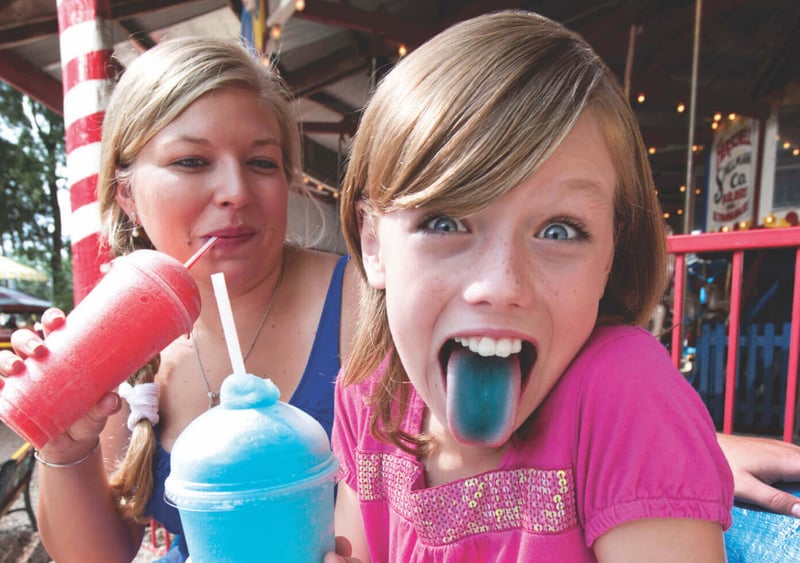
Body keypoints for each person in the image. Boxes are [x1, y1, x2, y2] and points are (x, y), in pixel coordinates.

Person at [328, 11, 781, 561]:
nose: (499, 285)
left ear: (610, 252)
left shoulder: (625, 394)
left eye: (559, 230)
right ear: (373, 244)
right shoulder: (368, 399)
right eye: (445, 222)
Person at [0, 37, 357, 561]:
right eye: (191, 161)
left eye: (262, 162)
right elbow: (97, 556)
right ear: (127, 196)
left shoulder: (363, 304)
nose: (235, 190)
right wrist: (66, 444)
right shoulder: (119, 340)